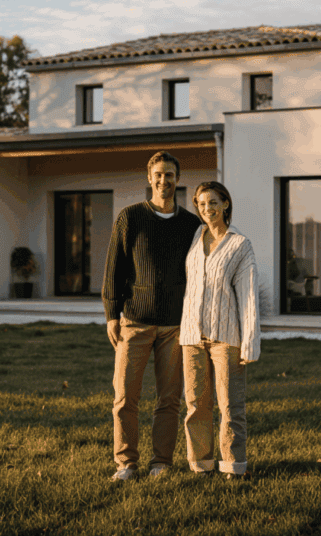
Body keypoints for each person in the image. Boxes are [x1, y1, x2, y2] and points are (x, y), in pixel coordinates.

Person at [102, 151, 202, 481]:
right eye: (158, 174)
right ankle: (126, 463)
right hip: (135, 322)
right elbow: (114, 269)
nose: (163, 180)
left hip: (175, 325)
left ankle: (161, 462)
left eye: (169, 174)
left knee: (169, 399)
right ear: (149, 178)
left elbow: (198, 274)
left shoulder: (191, 225)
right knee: (124, 397)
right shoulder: (130, 218)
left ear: (177, 179)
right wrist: (112, 314)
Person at [179, 181, 260, 478]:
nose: (207, 209)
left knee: (230, 406)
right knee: (196, 405)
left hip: (225, 337)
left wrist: (250, 341)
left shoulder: (240, 244)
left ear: (225, 204)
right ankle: (201, 464)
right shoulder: (194, 237)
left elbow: (248, 295)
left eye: (213, 202)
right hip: (191, 336)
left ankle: (233, 467)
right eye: (201, 204)